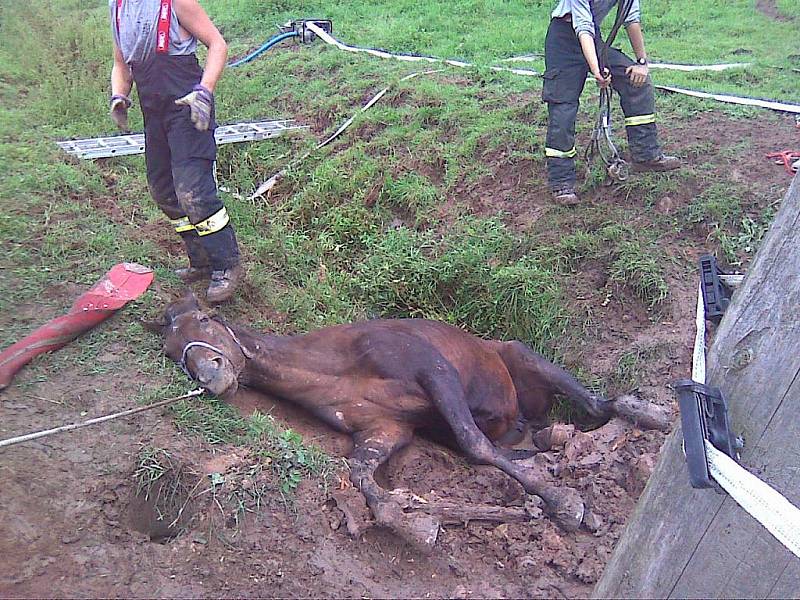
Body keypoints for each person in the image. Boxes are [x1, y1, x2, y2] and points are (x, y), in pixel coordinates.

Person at [109, 0, 242, 302]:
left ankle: (227, 264)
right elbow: (121, 64)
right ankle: (201, 260)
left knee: (193, 190)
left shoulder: (174, 3)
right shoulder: (118, 8)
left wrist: (205, 91)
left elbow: (217, 45)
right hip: (153, 109)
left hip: (188, 107)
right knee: (163, 190)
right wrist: (119, 95)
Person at [543, 0, 680, 206]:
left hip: (592, 36)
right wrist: (597, 70)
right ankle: (561, 182)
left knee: (636, 82)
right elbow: (583, 27)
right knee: (563, 106)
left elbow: (630, 18)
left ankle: (645, 155)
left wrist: (641, 63)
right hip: (564, 38)